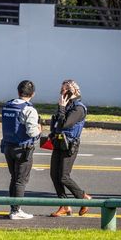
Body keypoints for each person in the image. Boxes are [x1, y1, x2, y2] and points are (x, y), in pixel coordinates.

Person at [49, 79, 91, 217]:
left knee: (63, 177)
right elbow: (56, 123)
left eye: (65, 90)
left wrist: (61, 108)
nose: (62, 93)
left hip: (70, 145)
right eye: (61, 90)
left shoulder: (78, 108)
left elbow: (65, 124)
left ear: (72, 91)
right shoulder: (66, 105)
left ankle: (83, 198)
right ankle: (64, 205)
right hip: (59, 142)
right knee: (54, 175)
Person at [0, 80, 41, 220]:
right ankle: (16, 211)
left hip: (8, 147)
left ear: (18, 92)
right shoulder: (30, 109)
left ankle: (13, 208)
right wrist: (39, 131)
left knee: (14, 178)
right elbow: (32, 132)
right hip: (23, 149)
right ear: (33, 94)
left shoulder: (7, 106)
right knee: (21, 180)